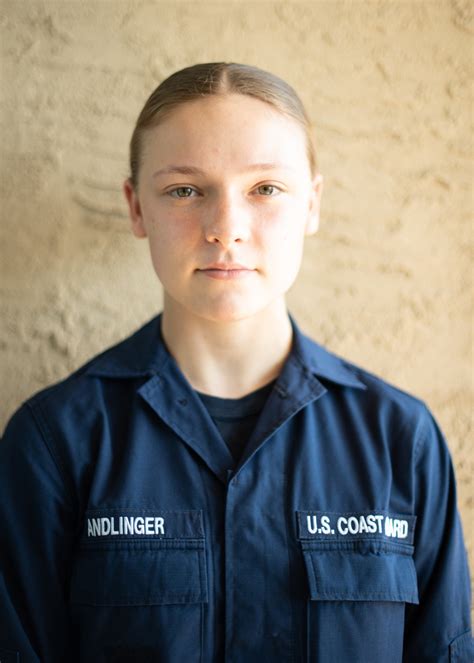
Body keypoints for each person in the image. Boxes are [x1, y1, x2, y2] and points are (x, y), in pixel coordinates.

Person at [0, 62, 471, 663]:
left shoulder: (401, 441)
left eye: (265, 189)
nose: (226, 229)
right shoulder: (53, 443)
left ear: (312, 205)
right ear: (136, 207)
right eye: (185, 190)